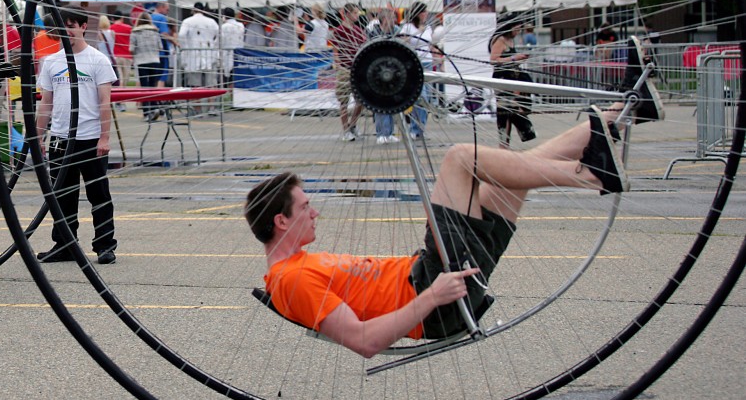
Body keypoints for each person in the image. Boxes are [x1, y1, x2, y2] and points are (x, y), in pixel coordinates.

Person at [245, 101, 646, 357]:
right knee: (459, 159)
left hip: (437, 281)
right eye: (305, 207)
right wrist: (433, 295)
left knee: (514, 173)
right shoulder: (291, 279)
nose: (315, 212)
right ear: (281, 221)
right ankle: (590, 175)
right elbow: (364, 341)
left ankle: (619, 114)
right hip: (434, 291)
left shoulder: (298, 264)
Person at [35, 8, 119, 265]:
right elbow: (46, 103)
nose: (68, 30)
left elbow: (105, 102)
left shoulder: (97, 60)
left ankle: (105, 245)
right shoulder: (52, 62)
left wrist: (104, 138)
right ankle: (64, 244)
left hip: (89, 138)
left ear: (84, 26)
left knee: (98, 194)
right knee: (62, 195)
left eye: (72, 24)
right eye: (63, 25)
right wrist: (38, 137)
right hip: (60, 138)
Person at [491, 18, 536, 147]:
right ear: (509, 27)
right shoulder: (500, 40)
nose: (517, 32)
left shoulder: (510, 40)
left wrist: (519, 59)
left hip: (513, 78)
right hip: (502, 79)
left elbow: (509, 60)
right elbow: (493, 60)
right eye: (516, 29)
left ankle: (512, 140)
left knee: (514, 109)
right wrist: (513, 58)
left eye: (519, 29)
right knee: (505, 112)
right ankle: (504, 143)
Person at [397, 3, 434, 140]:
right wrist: (418, 32)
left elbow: (430, 45)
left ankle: (421, 129)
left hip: (428, 63)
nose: (426, 14)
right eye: (424, 12)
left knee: (427, 98)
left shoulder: (429, 28)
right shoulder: (407, 27)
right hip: (414, 63)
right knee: (419, 96)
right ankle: (414, 127)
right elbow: (402, 41)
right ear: (418, 13)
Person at [331, 3, 365, 141]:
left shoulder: (358, 30)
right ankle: (346, 130)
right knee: (344, 101)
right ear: (347, 14)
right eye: (355, 13)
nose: (357, 15)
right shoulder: (339, 30)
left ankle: (353, 124)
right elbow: (335, 49)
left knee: (361, 100)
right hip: (345, 68)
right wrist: (338, 64)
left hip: (356, 67)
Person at [366, 7, 400, 144]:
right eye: (392, 17)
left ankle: (389, 132)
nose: (395, 20)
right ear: (385, 19)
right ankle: (381, 133)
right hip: (377, 70)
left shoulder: (397, 31)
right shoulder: (372, 32)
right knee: (380, 103)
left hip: (393, 69)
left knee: (391, 102)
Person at [129, 8, 164, 119]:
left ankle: (146, 112)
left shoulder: (135, 32)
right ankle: (154, 109)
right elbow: (160, 47)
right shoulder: (155, 31)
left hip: (141, 61)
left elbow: (131, 48)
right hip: (154, 60)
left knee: (144, 87)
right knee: (153, 86)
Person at [177, 2, 219, 88]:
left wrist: (185, 48)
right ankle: (212, 101)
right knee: (211, 83)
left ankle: (197, 101)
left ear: (193, 10)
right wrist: (214, 45)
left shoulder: (187, 21)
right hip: (209, 53)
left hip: (193, 54)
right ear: (203, 10)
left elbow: (181, 35)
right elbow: (220, 35)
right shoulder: (211, 21)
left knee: (195, 83)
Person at [150, 2, 177, 87]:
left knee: (150, 77)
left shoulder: (149, 17)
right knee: (162, 76)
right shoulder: (161, 18)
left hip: (150, 52)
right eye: (167, 9)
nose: (167, 12)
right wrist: (176, 42)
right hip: (162, 52)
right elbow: (164, 34)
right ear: (161, 7)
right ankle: (159, 97)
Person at [218, 7, 245, 84]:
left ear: (224, 16)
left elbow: (220, 41)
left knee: (227, 75)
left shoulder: (223, 27)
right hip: (239, 53)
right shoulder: (241, 25)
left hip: (227, 53)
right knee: (236, 73)